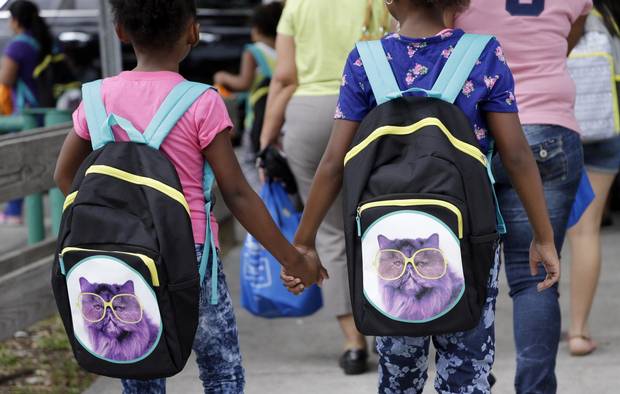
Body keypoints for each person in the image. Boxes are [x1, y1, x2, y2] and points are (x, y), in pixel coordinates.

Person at [282, 0, 561, 392]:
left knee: (398, 371)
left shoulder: (366, 60)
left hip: (388, 242)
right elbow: (516, 155)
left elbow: (333, 163)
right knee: (467, 368)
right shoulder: (483, 53)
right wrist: (543, 236)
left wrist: (304, 242)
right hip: (470, 236)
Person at [53, 0, 325, 393]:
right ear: (192, 32)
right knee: (220, 369)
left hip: (125, 258)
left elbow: (65, 175)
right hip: (192, 258)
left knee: (141, 365)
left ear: (121, 33)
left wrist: (111, 220)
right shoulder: (201, 101)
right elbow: (237, 193)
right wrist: (292, 258)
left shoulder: (96, 99)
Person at [453, 1, 590, 392]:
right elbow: (571, 31)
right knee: (537, 277)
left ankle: (475, 381)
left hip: (477, 130)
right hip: (550, 124)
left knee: (470, 274)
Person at [259, 0, 390, 375]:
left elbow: (284, 77)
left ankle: (353, 342)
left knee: (330, 232)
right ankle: (390, 325)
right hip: (371, 110)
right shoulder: (378, 2)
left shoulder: (297, 5)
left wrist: (267, 139)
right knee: (380, 221)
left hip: (309, 114)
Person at [567, 0, 620, 357]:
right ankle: (578, 331)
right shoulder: (608, 17)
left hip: (552, 128)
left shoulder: (547, 14)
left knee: (541, 232)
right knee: (586, 231)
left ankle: (540, 319)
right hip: (604, 131)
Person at [214, 2, 282, 192]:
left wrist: (223, 76)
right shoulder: (281, 52)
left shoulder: (253, 51)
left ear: (258, 29)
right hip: (278, 116)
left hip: (256, 119)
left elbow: (244, 82)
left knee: (249, 161)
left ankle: (262, 201)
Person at [0, 0, 53, 225]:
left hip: (26, 110)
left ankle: (13, 212)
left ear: (16, 20)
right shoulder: (42, 41)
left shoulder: (17, 46)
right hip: (45, 107)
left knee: (21, 159)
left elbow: (6, 78)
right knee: (43, 158)